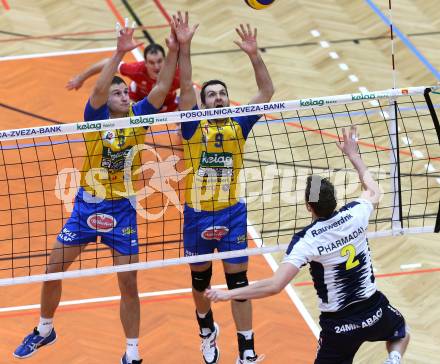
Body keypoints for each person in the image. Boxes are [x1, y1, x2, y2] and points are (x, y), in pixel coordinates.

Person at [14, 20, 179, 364]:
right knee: (52, 270)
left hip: (122, 212)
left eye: (126, 93)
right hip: (86, 208)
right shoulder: (95, 119)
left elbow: (163, 87)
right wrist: (120, 50)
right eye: (118, 93)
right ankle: (45, 330)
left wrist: (177, 47)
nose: (124, 95)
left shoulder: (139, 117)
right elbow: (97, 91)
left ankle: (132, 353)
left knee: (128, 285)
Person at [205, 126, 410, 364]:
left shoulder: (307, 240)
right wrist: (353, 155)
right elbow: (373, 190)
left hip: (339, 325)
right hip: (374, 310)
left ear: (308, 207)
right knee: (401, 332)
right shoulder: (357, 213)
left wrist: (228, 293)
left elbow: (274, 285)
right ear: (336, 201)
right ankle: (394, 358)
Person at [173, 11, 274, 364]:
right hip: (197, 216)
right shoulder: (191, 127)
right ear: (202, 103)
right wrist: (185, 47)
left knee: (238, 284)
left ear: (229, 101)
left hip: (231, 212)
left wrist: (253, 53)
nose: (217, 98)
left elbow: (266, 91)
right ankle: (206, 329)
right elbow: (186, 88)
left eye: (222, 94)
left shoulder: (238, 125)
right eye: (211, 95)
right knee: (200, 285)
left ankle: (246, 348)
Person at [67, 43, 180, 112]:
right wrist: (80, 78)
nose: (156, 66)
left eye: (159, 61)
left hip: (169, 103)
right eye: (151, 62)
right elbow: (108, 63)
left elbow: (190, 88)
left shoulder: (175, 75)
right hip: (138, 101)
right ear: (145, 63)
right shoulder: (137, 70)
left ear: (165, 60)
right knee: (120, 110)